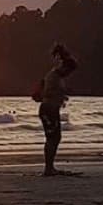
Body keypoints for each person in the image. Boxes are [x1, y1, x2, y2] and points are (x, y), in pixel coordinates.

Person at [34, 43, 78, 176]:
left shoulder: (56, 76)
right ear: (64, 67)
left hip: (52, 109)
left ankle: (50, 166)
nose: (68, 74)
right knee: (52, 138)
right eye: (68, 71)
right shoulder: (53, 76)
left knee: (55, 137)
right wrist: (59, 95)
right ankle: (48, 168)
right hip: (48, 109)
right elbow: (45, 94)